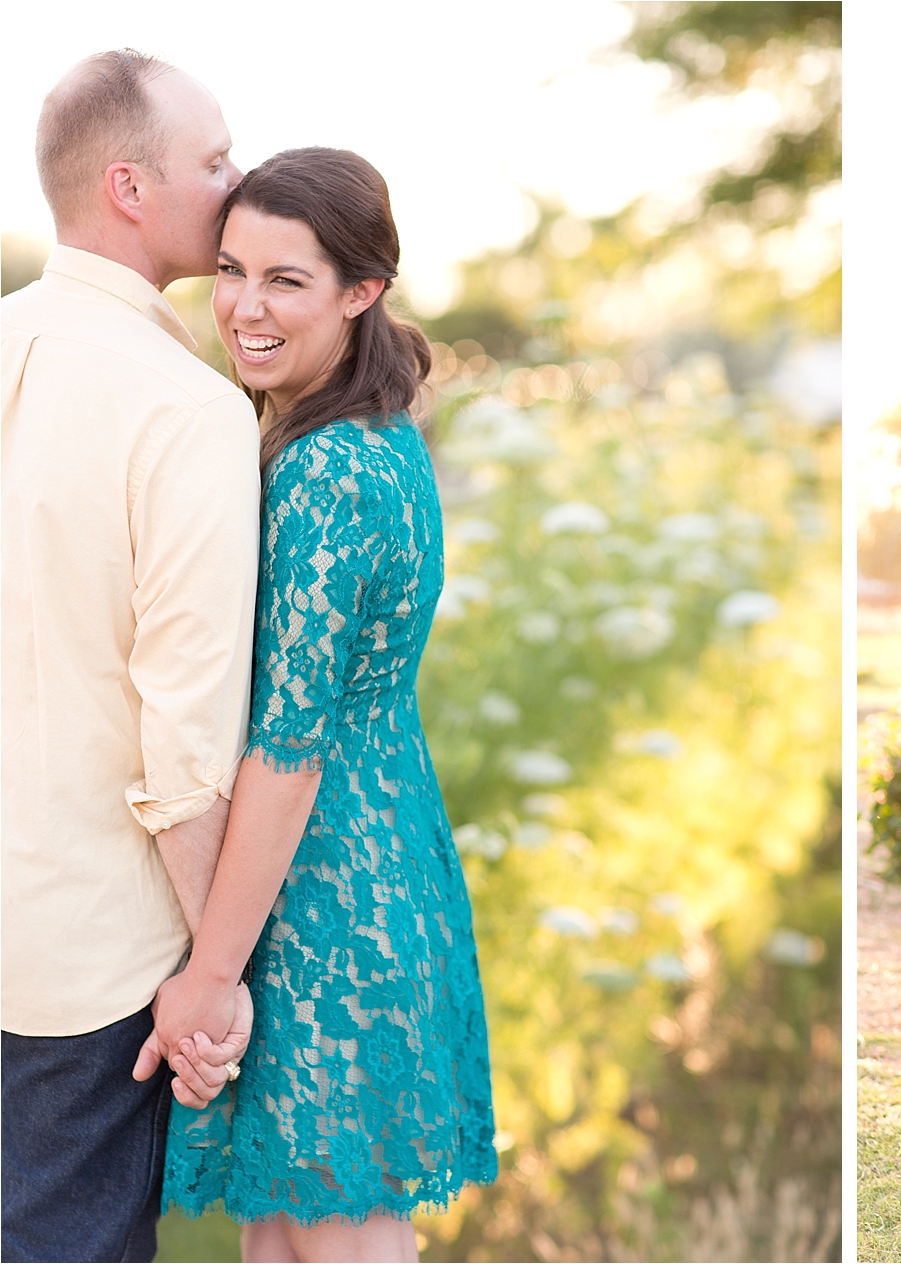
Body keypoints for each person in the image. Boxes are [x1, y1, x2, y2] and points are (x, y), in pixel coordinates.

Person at [149, 146, 497, 1263]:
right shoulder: (377, 432)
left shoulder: (327, 469)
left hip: (325, 893)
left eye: (285, 280)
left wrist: (210, 979)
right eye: (231, 270)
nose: (244, 308)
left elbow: (289, 747)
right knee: (287, 1239)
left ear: (362, 290)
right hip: (369, 858)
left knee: (331, 1238)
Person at [2, 49, 257, 1262]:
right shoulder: (187, 408)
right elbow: (184, 743)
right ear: (129, 188)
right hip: (79, 963)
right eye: (214, 160)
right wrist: (216, 974)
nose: (237, 181)